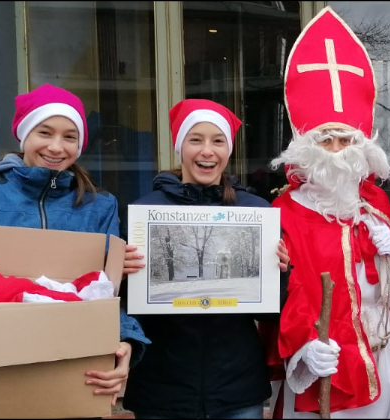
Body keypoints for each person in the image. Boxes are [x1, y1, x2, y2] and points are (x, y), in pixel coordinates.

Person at [0, 83, 151, 419]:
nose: (56, 146)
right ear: (24, 135)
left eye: (69, 137)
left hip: (73, 381)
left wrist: (126, 343)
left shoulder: (100, 206)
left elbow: (109, 296)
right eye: (44, 132)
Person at [267, 6, 390, 419]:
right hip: (323, 358)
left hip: (379, 352)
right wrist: (303, 346)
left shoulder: (376, 203)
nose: (336, 151)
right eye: (325, 141)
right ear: (305, 148)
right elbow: (282, 291)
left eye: (345, 141)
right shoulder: (284, 211)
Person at [117, 98, 291, 419]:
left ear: (229, 150)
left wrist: (279, 272)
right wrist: (122, 275)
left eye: (218, 141)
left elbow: (269, 312)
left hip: (237, 388)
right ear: (180, 147)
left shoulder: (255, 212)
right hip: (161, 388)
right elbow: (127, 305)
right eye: (196, 140)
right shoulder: (145, 212)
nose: (207, 151)